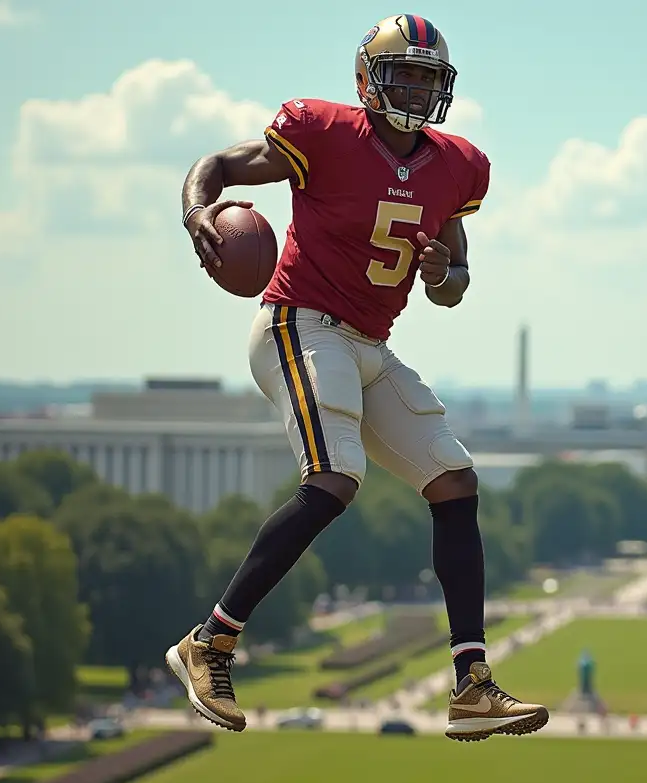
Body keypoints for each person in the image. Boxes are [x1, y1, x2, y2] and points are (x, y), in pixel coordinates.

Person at [163, 13, 548, 743]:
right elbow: (216, 165)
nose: (415, 88)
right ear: (367, 81)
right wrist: (196, 212)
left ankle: (471, 684)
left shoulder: (458, 164)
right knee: (336, 477)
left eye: (427, 78)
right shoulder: (323, 133)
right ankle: (208, 643)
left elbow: (454, 278)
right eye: (403, 73)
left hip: (370, 343)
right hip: (298, 324)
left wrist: (447, 272)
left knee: (454, 479)